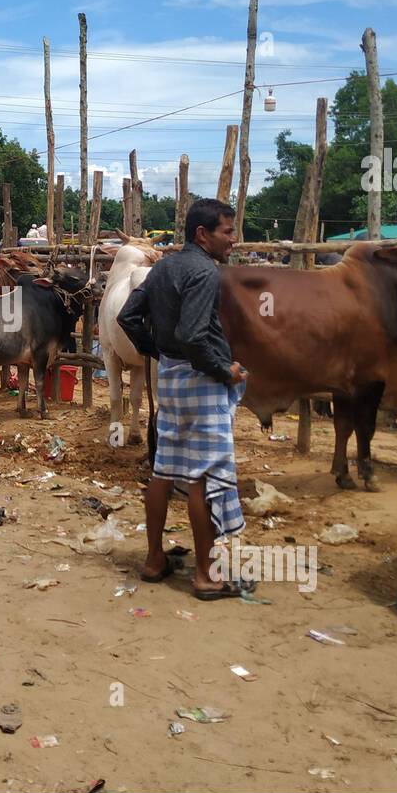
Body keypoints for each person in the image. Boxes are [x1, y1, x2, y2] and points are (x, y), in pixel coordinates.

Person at [117, 198, 250, 599]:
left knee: (164, 471)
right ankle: (206, 577)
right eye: (227, 232)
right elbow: (195, 335)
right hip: (201, 383)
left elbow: (127, 317)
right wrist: (223, 369)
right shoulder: (205, 273)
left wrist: (158, 352)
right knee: (203, 479)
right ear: (203, 234)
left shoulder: (163, 268)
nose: (233, 240)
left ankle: (155, 559)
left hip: (172, 380)